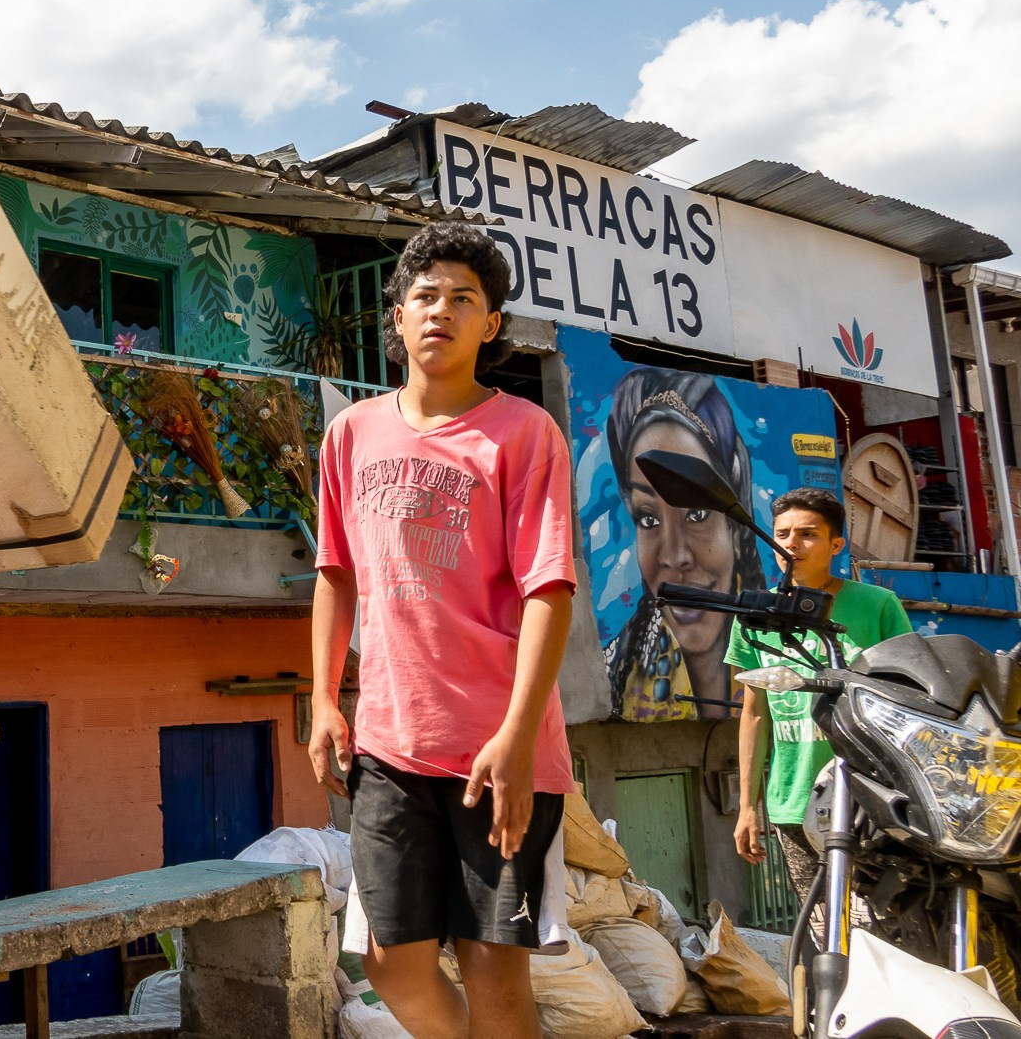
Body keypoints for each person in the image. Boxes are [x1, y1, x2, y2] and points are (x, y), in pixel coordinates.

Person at [308, 222, 577, 1039]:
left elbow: (549, 589)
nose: (442, 310)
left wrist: (520, 736)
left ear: (491, 324)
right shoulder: (350, 434)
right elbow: (336, 572)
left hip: (498, 748)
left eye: (465, 298)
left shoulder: (525, 433)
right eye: (425, 295)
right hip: (391, 745)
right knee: (391, 964)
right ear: (397, 316)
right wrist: (323, 696)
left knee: (495, 969)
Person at [729, 488, 913, 910]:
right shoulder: (756, 617)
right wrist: (747, 806)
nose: (790, 544)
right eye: (781, 534)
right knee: (821, 929)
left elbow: (910, 696)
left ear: (836, 545)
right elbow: (754, 715)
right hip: (795, 805)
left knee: (881, 928)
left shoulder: (877, 605)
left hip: (873, 800)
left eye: (807, 534)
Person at [604, 369, 768, 721]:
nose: (675, 556)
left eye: (697, 514)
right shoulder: (615, 677)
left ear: (737, 527)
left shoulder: (788, 658)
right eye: (648, 518)